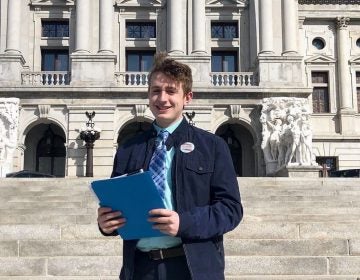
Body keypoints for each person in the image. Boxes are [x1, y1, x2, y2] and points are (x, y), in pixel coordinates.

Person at [97, 53, 243, 280]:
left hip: (193, 268)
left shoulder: (213, 146)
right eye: (156, 90)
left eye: (171, 91)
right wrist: (107, 224)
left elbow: (231, 210)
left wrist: (183, 223)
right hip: (140, 268)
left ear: (187, 97)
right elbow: (118, 205)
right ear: (148, 95)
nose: (162, 98)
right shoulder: (128, 148)